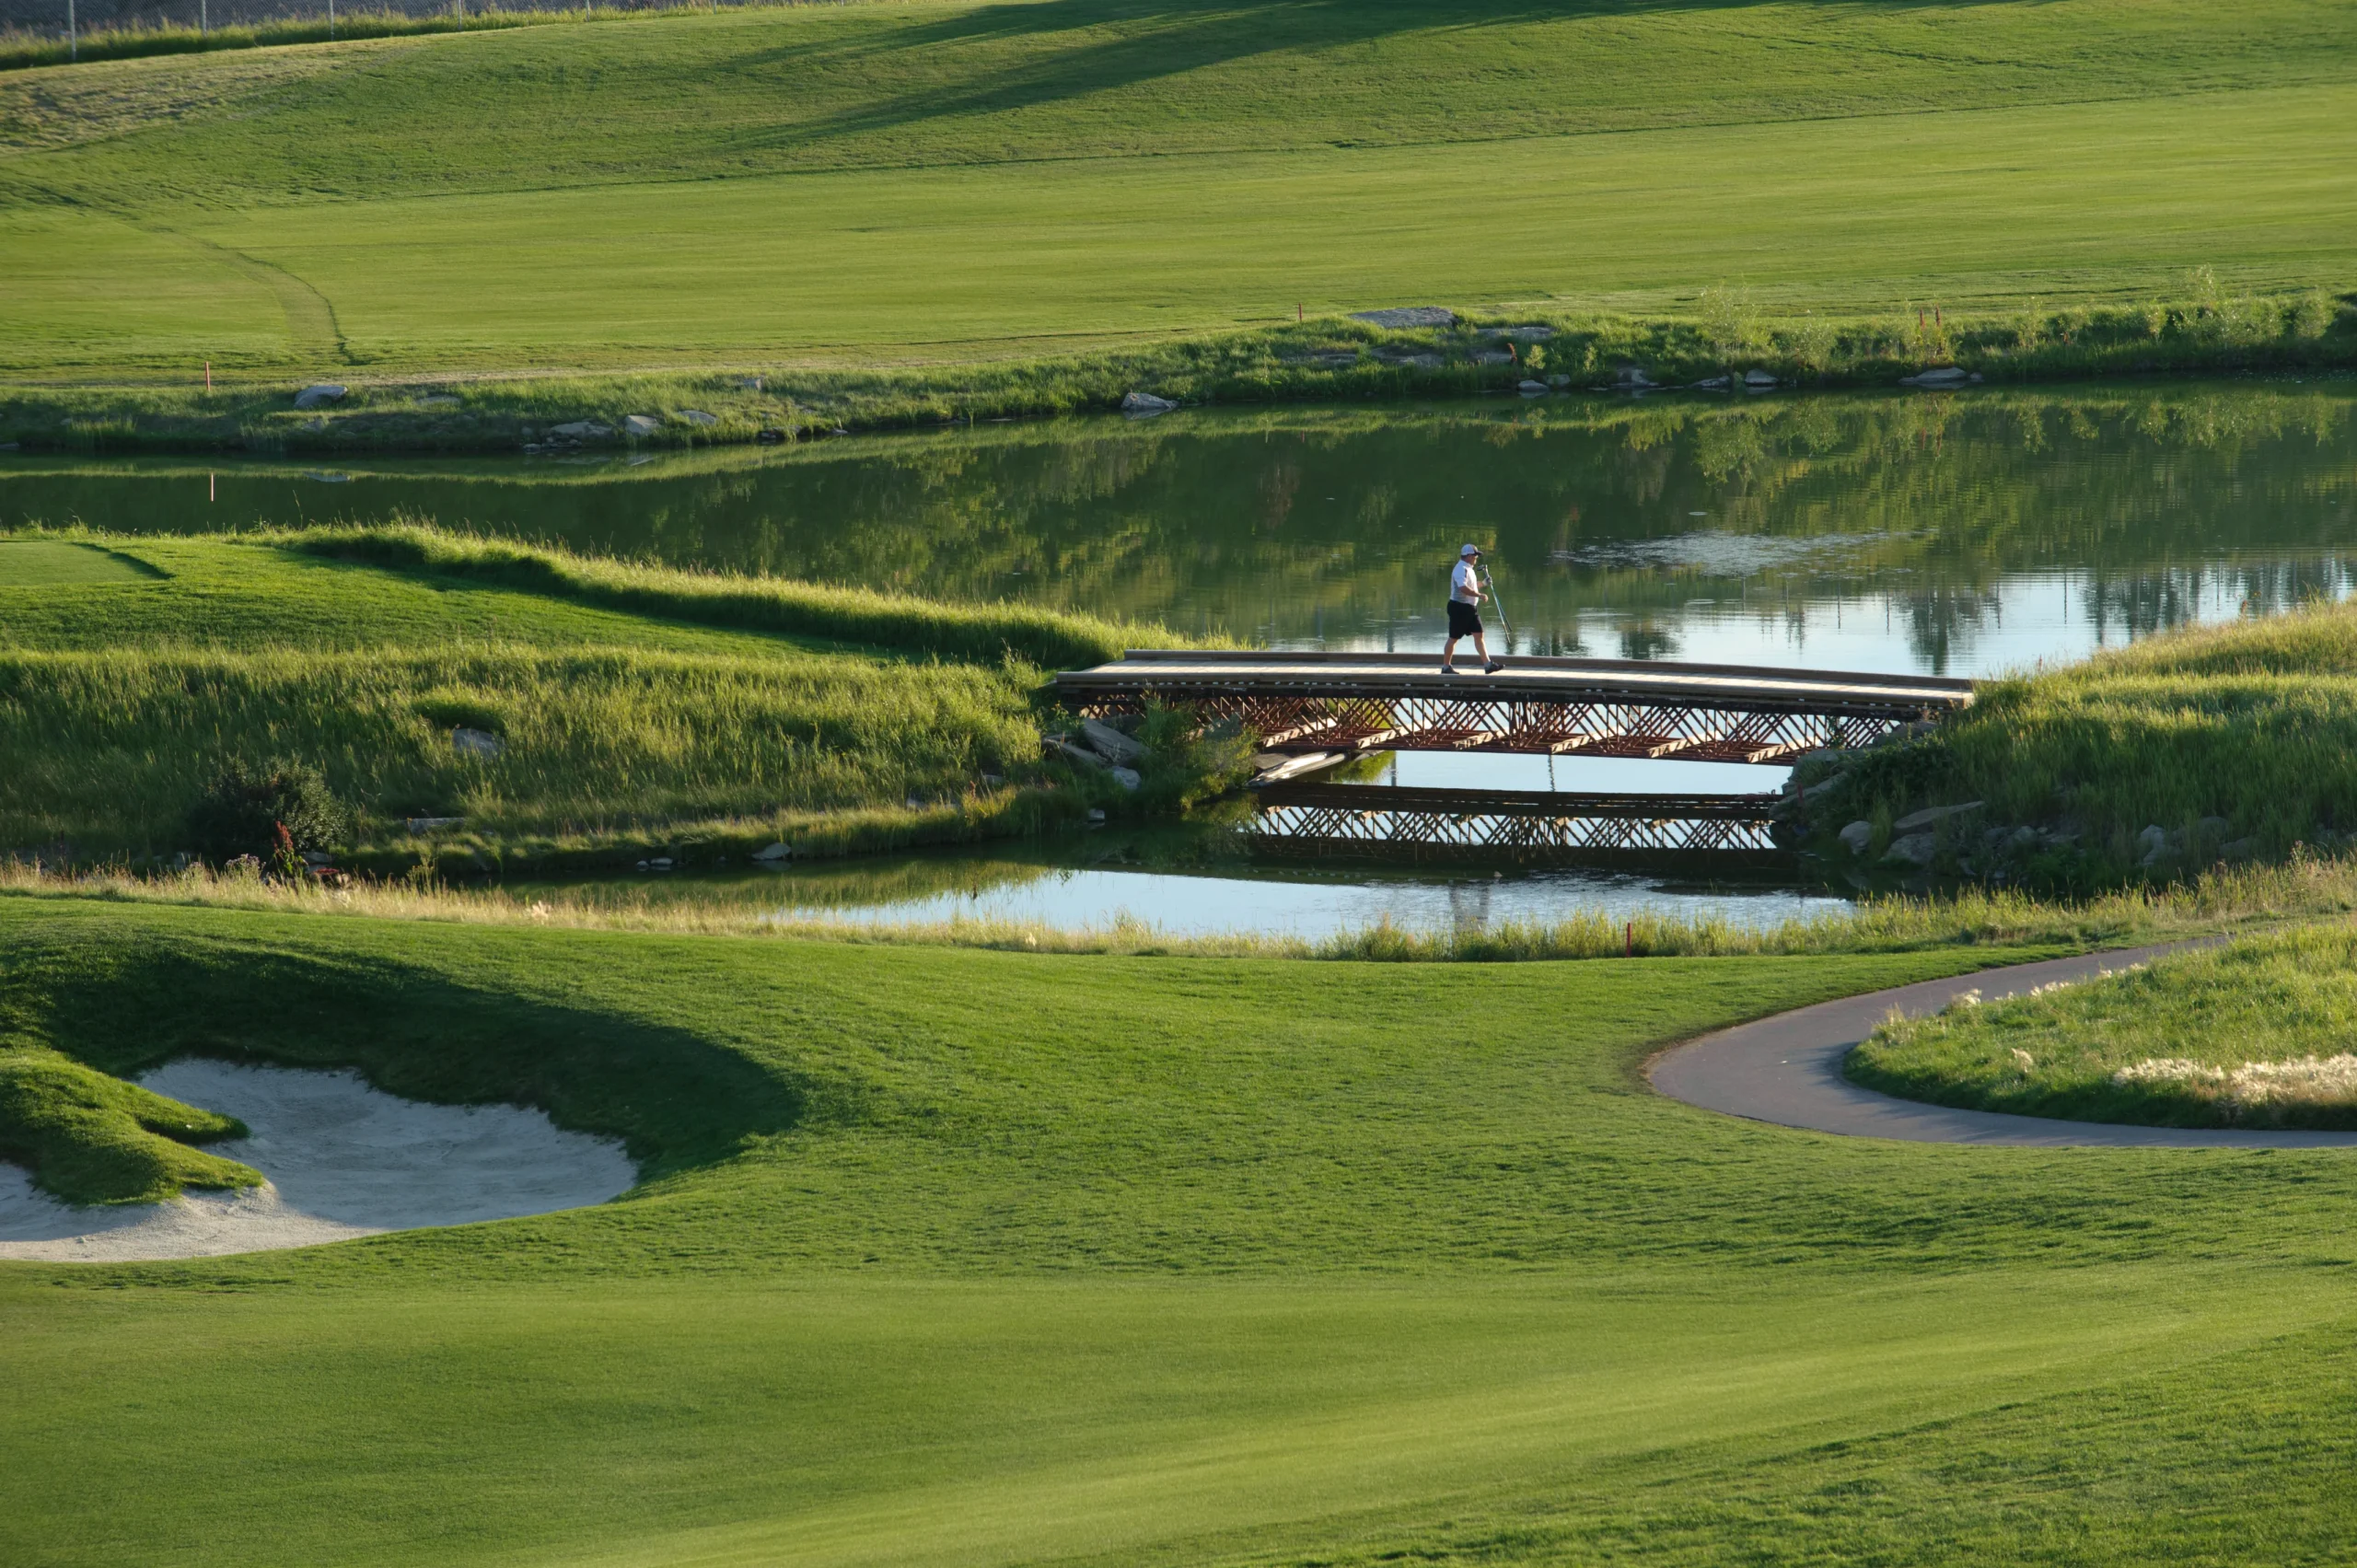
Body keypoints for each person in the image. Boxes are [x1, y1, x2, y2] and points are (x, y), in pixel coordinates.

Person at [1442, 543, 1504, 675]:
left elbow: (1471, 586)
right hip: (1459, 607)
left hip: (1470, 609)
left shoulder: (1469, 568)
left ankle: (1488, 665)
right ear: (1469, 556)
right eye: (1475, 556)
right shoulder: (1460, 568)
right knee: (1453, 638)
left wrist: (1484, 584)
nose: (1476, 558)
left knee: (1479, 635)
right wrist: (1479, 595)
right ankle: (1446, 667)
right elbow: (1463, 588)